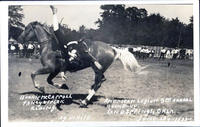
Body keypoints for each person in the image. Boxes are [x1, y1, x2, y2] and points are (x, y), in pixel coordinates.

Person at [50, 5, 102, 71]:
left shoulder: (67, 55)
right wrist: (95, 61)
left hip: (64, 42)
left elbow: (65, 59)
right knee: (56, 31)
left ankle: (54, 13)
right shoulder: (79, 50)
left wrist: (62, 72)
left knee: (56, 30)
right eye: (72, 59)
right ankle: (55, 14)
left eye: (70, 59)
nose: (71, 59)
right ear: (75, 57)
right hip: (74, 39)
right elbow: (87, 55)